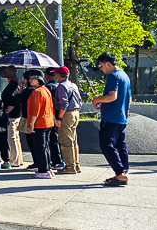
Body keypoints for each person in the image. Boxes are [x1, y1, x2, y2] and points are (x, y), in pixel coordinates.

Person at [91, 52, 132, 186]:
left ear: (108, 63)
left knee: (106, 144)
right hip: (121, 117)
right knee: (120, 145)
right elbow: (129, 98)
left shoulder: (113, 76)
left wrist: (96, 99)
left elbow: (112, 96)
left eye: (101, 65)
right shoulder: (124, 75)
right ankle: (123, 172)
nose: (101, 69)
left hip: (111, 117)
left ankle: (120, 174)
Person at [24, 69, 54, 178]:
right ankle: (47, 168)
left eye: (33, 78)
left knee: (39, 147)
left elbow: (35, 110)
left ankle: (43, 170)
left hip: (39, 123)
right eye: (30, 78)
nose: (31, 80)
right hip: (48, 121)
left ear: (38, 79)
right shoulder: (46, 90)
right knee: (45, 146)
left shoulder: (37, 92)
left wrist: (31, 124)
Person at [53, 66, 82, 174]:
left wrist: (59, 118)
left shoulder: (61, 86)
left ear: (59, 75)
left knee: (65, 141)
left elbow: (63, 103)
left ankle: (70, 166)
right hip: (75, 113)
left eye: (56, 74)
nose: (55, 76)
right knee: (73, 140)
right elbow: (79, 100)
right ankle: (76, 165)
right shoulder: (73, 85)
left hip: (66, 114)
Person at [0, 66, 25, 168]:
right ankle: (19, 158)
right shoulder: (17, 86)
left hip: (11, 116)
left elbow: (11, 103)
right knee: (16, 137)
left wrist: (4, 113)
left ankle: (14, 160)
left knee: (11, 138)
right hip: (18, 115)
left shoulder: (10, 88)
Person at [43, 69, 65, 170]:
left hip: (52, 115)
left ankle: (57, 160)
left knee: (52, 139)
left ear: (47, 76)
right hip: (61, 113)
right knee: (58, 138)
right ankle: (61, 159)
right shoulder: (58, 86)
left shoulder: (48, 87)